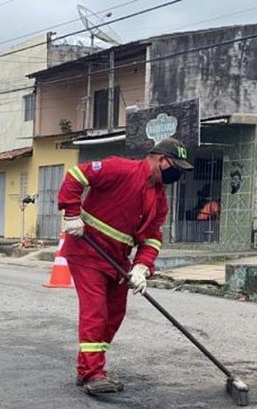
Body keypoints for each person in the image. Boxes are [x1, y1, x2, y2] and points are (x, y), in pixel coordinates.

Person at [57, 137, 192, 395]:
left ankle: (88, 367)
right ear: (161, 160)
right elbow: (76, 175)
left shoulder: (160, 200)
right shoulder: (121, 169)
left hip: (117, 260)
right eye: (176, 166)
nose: (177, 174)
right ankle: (92, 374)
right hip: (87, 251)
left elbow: (152, 237)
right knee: (95, 311)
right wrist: (72, 213)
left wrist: (142, 267)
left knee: (114, 314)